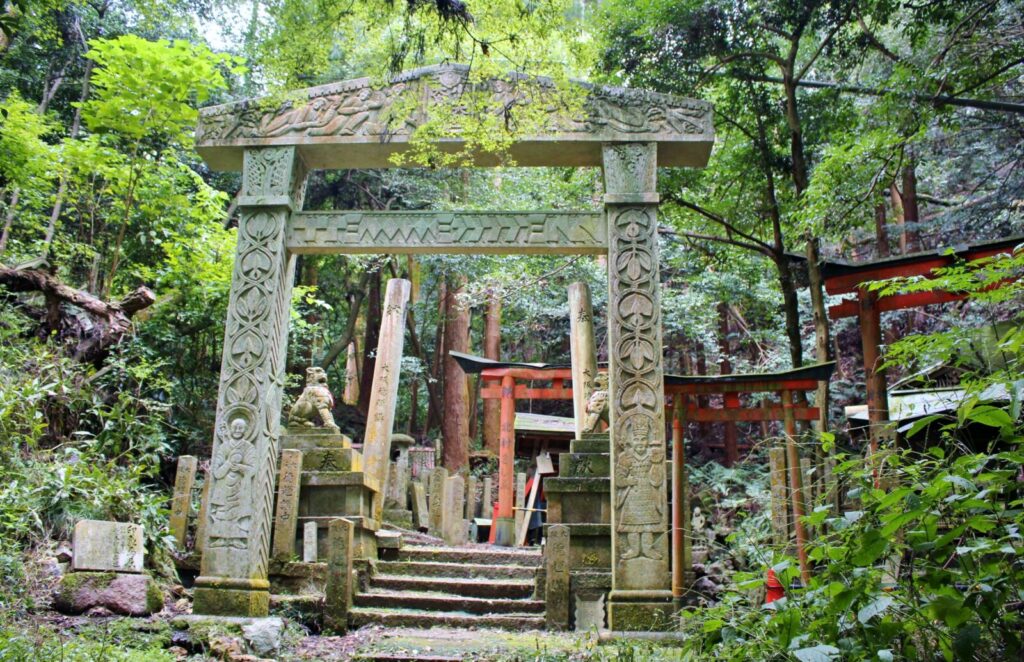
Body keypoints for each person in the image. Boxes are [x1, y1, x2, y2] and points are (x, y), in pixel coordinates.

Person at [525, 470, 546, 546]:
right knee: (535, 522)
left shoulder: (534, 482)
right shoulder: (533, 482)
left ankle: (535, 539)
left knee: (536, 522)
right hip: (535, 504)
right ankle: (534, 539)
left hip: (538, 504)